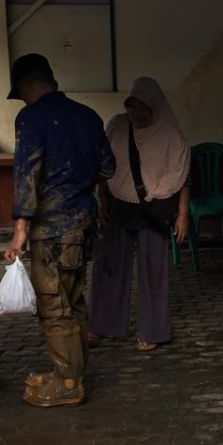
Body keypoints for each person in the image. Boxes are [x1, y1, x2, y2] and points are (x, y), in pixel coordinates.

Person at [3, 54, 115, 407]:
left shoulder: (31, 118)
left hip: (50, 231)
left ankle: (67, 383)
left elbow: (26, 173)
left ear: (26, 85)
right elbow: (108, 169)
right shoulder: (89, 116)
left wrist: (20, 229)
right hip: (84, 224)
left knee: (55, 306)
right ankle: (70, 372)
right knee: (75, 298)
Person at [88, 78, 190, 352]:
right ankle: (101, 325)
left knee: (153, 271)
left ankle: (153, 332)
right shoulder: (118, 128)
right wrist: (101, 198)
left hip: (154, 208)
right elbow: (104, 165)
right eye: (132, 109)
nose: (136, 115)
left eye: (142, 109)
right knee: (108, 266)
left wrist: (182, 214)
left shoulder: (171, 135)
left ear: (155, 107)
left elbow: (182, 177)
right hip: (119, 204)